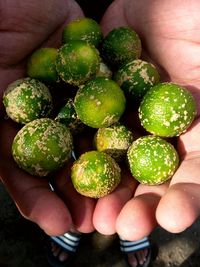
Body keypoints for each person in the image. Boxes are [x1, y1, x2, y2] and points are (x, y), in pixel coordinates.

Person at [0, 0, 200, 266]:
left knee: (131, 210)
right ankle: (74, 225)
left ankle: (124, 233)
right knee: (68, 179)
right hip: (59, 48)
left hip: (130, 20)